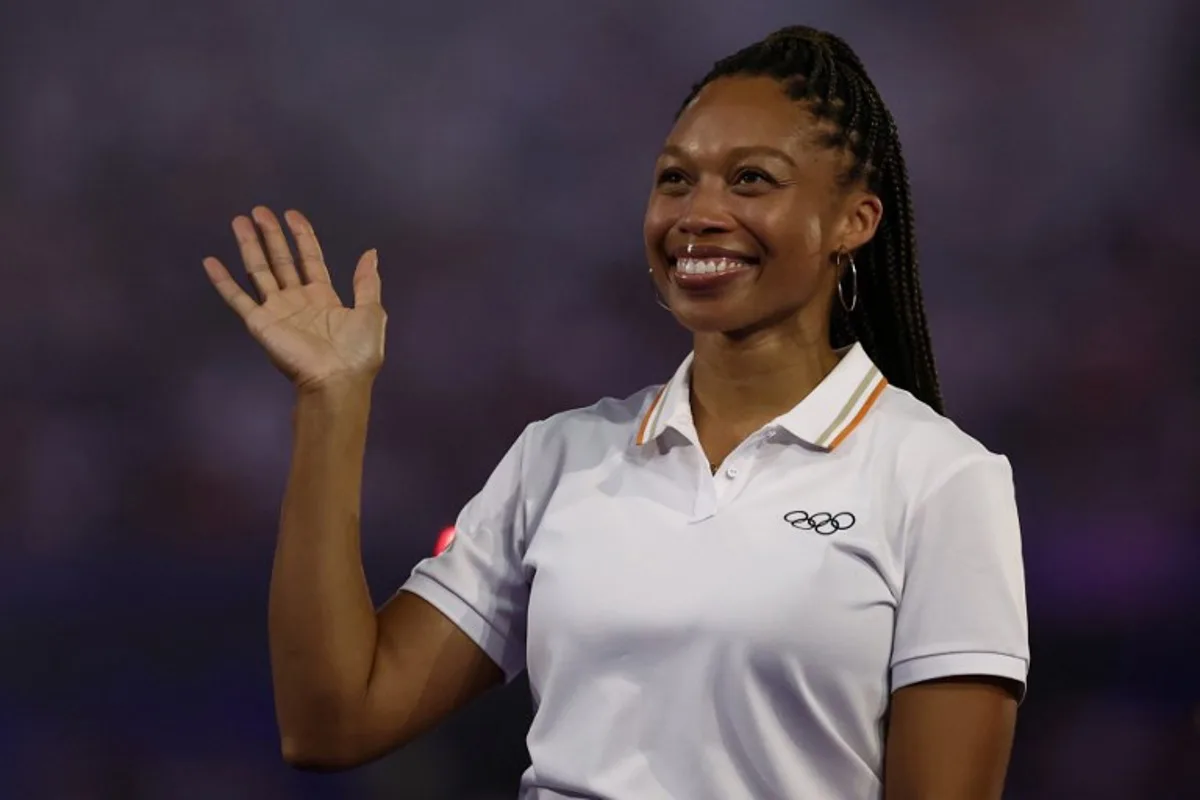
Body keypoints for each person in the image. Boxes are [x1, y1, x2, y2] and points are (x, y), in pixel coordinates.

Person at [203, 24, 1029, 800]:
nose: (698, 213)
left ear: (854, 220)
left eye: (752, 179)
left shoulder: (942, 481)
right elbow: (333, 721)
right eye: (676, 178)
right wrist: (331, 403)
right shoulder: (560, 457)